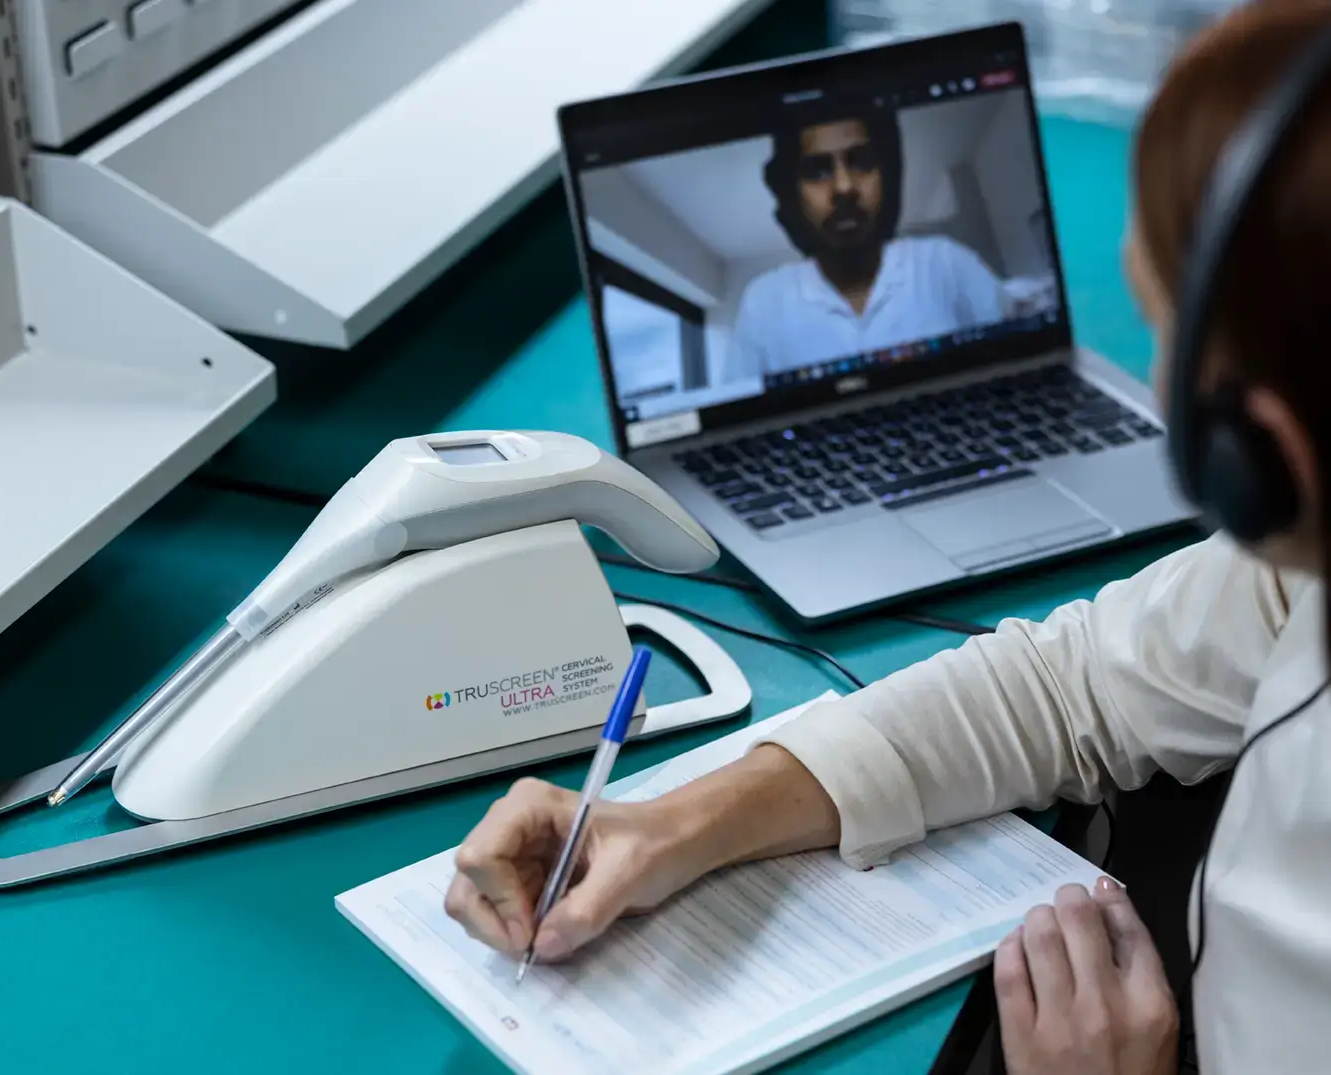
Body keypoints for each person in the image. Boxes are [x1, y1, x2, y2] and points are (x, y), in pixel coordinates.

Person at [443, 2, 1331, 1072]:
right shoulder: (1298, 577)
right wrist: (675, 821)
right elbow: (1074, 686)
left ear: (1259, 443)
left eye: (1156, 334)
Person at [725, 109, 1008, 380]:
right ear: (793, 193)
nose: (844, 187)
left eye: (861, 161)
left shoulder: (944, 262)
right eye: (818, 171)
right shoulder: (763, 303)